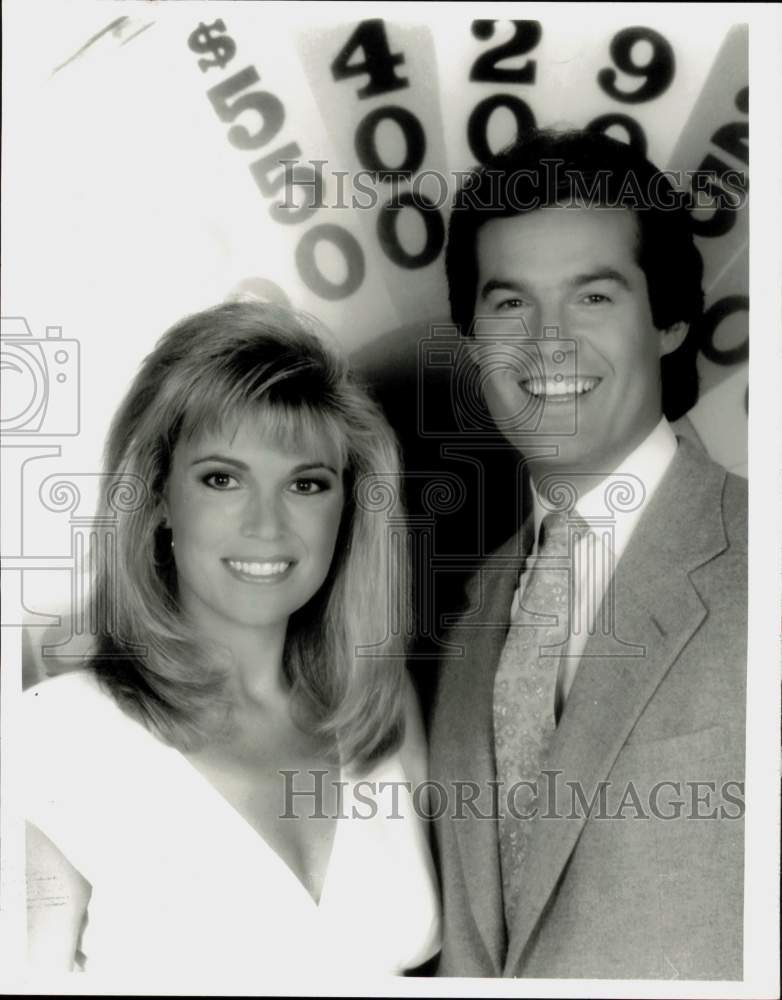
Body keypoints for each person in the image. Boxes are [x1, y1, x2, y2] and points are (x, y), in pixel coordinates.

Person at [23, 301, 441, 982]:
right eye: (222, 478)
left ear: (350, 506)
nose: (267, 525)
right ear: (157, 497)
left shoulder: (381, 709)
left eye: (307, 483)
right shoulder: (53, 736)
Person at [429, 129, 747, 979]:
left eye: (593, 297)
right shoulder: (469, 608)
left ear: (672, 320)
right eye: (509, 304)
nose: (547, 342)